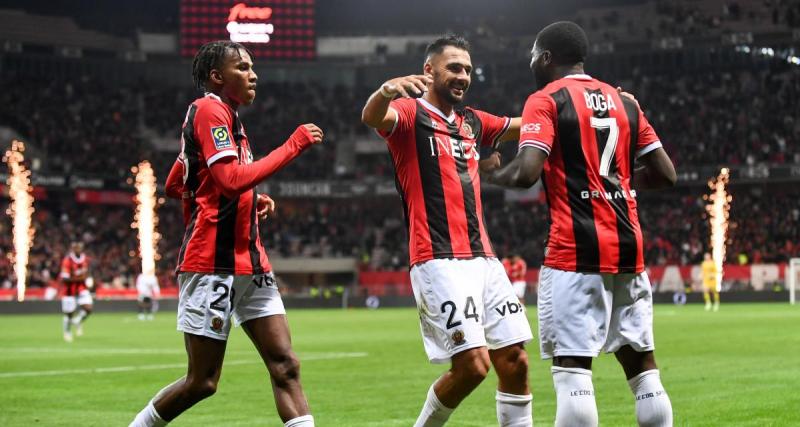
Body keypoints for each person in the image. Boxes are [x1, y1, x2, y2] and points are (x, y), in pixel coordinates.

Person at [483, 22, 677, 427]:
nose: (531, 63)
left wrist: (486, 174)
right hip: (630, 251)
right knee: (644, 369)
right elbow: (665, 174)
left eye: (534, 55)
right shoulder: (626, 102)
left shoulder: (546, 99)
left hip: (574, 252)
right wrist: (618, 185)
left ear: (548, 57)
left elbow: (525, 173)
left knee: (573, 372)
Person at [130, 40, 323, 427]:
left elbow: (177, 182)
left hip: (251, 263)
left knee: (285, 365)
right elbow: (229, 180)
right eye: (243, 67)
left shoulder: (230, 118)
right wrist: (293, 145)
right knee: (202, 382)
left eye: (253, 67)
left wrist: (252, 195)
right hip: (211, 265)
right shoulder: (208, 109)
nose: (254, 74)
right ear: (217, 77)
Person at [361, 35, 534, 427]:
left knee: (515, 360)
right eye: (454, 67)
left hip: (484, 258)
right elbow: (373, 117)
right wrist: (385, 90)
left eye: (468, 70)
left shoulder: (472, 121)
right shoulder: (407, 113)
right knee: (473, 367)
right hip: (437, 258)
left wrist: (569, 105)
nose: (463, 76)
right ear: (429, 71)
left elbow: (522, 126)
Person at [60, 241, 92, 342]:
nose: (78, 249)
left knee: (88, 308)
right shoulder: (67, 260)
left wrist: (88, 279)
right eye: (76, 248)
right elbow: (64, 278)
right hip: (69, 290)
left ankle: (78, 321)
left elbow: (87, 271)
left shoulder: (85, 258)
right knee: (69, 313)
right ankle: (67, 331)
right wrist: (80, 279)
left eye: (80, 247)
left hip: (82, 288)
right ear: (73, 249)